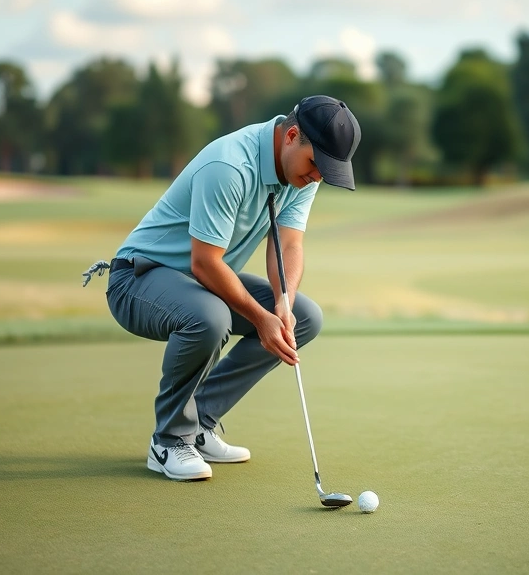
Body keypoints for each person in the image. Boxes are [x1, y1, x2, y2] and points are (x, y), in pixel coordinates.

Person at [82, 95, 361, 481]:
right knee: (211, 317)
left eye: (326, 171)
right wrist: (261, 318)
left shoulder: (301, 173)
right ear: (291, 136)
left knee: (304, 317)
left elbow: (289, 245)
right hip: (137, 279)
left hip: (199, 285)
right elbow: (205, 263)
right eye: (316, 164)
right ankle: (168, 440)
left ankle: (199, 424)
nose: (317, 177)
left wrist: (283, 301)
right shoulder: (230, 165)